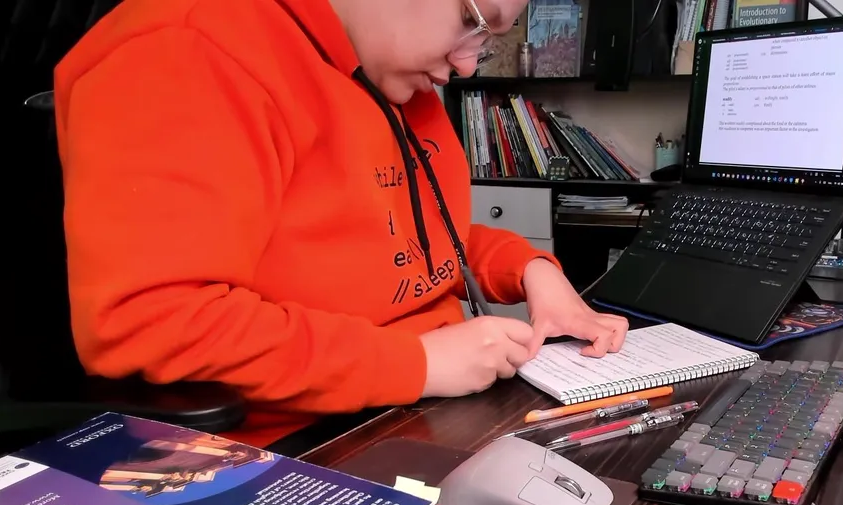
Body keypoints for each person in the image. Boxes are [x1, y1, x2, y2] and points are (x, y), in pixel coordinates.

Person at [53, 0, 628, 447]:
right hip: (295, 451)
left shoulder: (387, 70)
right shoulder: (186, 52)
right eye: (470, 22)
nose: (467, 64)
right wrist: (415, 365)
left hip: (425, 413)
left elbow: (406, 235)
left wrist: (528, 268)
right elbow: (155, 320)